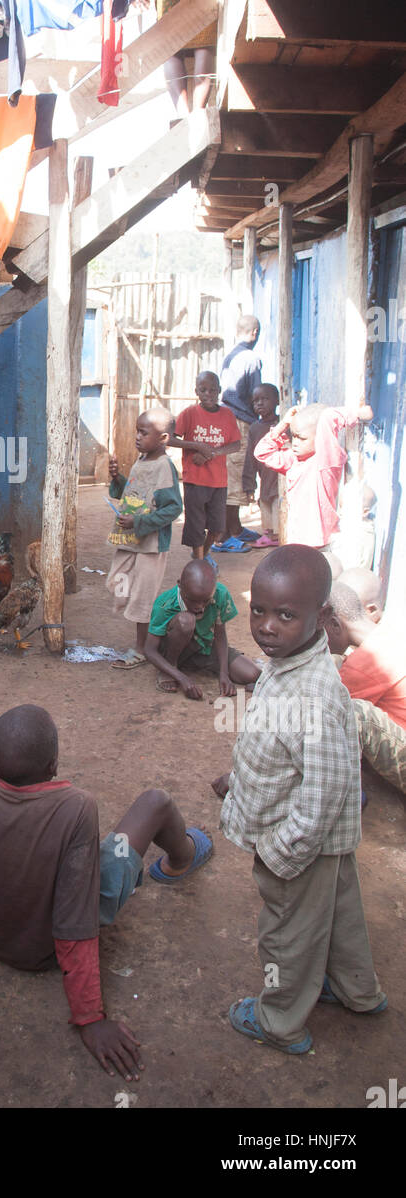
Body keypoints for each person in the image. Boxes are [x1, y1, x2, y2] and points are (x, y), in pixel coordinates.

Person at [0, 704, 213, 1079]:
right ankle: (182, 857)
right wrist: (89, 1018)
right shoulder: (76, 807)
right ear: (54, 765)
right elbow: (74, 920)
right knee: (155, 802)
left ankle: (180, 854)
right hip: (43, 951)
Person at [221, 547, 386, 1053]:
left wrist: (283, 853)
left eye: (286, 615)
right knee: (338, 916)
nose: (267, 626)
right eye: (259, 611)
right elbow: (281, 749)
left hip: (299, 848)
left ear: (322, 618)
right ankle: (357, 991)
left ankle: (280, 1019)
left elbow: (328, 791)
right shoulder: (288, 660)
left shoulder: (314, 695)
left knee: (286, 935)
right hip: (322, 845)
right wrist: (238, 777)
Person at [105, 407, 181, 670]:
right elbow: (131, 493)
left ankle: (142, 648)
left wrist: (139, 522)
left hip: (150, 545)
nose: (137, 436)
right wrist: (117, 479)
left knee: (142, 598)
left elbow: (173, 508)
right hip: (129, 540)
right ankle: (152, 624)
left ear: (163, 439)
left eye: (143, 432)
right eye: (137, 431)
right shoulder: (141, 460)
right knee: (117, 582)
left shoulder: (164, 468)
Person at [253, 402, 373, 553]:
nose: (295, 443)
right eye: (294, 436)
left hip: (320, 542)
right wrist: (283, 424)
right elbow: (262, 452)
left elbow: (328, 418)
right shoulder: (294, 460)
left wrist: (357, 414)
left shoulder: (326, 461)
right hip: (296, 539)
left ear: (320, 438)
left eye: (302, 438)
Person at [324, 582, 405, 797]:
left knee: (351, 713)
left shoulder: (367, 663)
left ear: (333, 624)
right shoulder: (389, 634)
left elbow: (325, 714)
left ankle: (339, 791)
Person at [144, 558, 260, 698]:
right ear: (180, 586)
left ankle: (190, 665)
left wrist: (224, 674)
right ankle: (170, 667)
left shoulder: (220, 594)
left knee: (253, 674)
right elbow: (149, 650)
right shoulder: (165, 604)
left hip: (203, 646)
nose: (199, 606)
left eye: (206, 601)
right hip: (172, 650)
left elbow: (220, 635)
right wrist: (182, 678)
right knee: (186, 621)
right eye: (192, 600)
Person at [170, 372, 241, 558]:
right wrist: (196, 446)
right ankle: (199, 560)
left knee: (218, 527)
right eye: (203, 390)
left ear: (219, 391)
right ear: (196, 391)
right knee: (196, 526)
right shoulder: (189, 413)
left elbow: (236, 444)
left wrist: (211, 453)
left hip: (218, 481)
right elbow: (169, 439)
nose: (208, 394)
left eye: (212, 390)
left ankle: (203, 554)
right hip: (195, 480)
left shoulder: (227, 415)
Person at [219, 315, 263, 549]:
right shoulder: (251, 358)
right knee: (235, 475)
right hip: (240, 421)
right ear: (254, 332)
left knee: (231, 473)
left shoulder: (231, 356)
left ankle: (234, 527)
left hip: (228, 420)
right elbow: (256, 395)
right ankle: (225, 536)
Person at [242, 383, 280, 548]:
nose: (259, 403)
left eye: (265, 399)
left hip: (280, 475)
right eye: (255, 400)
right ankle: (269, 533)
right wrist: (249, 484)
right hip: (265, 474)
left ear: (277, 401)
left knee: (279, 501)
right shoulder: (255, 428)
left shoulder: (282, 425)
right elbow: (250, 457)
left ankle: (279, 533)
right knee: (264, 500)